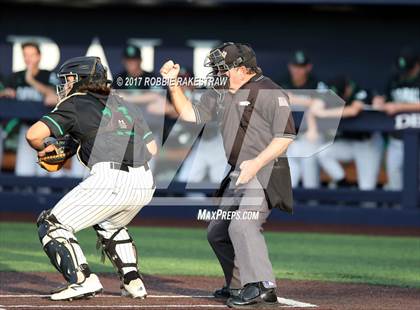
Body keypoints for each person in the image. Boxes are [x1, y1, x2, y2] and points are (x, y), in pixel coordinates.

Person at [160, 42, 296, 308]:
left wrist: (256, 163)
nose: (218, 73)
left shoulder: (269, 91)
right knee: (217, 232)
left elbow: (285, 137)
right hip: (239, 171)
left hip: (266, 169)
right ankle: (237, 285)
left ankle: (262, 286)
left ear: (243, 69)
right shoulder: (220, 91)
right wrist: (173, 84)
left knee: (243, 224)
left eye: (223, 68)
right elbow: (191, 115)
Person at [26, 56, 157, 301]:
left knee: (51, 224)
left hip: (111, 179)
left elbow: (33, 135)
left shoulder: (76, 101)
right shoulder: (124, 103)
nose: (65, 85)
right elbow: (152, 149)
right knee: (110, 225)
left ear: (81, 79)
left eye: (69, 79)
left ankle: (82, 280)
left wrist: (47, 147)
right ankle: (133, 282)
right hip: (145, 180)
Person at [314, 76, 383, 190]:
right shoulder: (331, 94)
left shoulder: (360, 91)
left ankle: (368, 204)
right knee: (322, 153)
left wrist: (324, 113)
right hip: (349, 143)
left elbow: (354, 110)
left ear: (347, 89)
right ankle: (344, 182)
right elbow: (316, 107)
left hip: (368, 143)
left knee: (366, 189)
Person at [0, 42, 58, 176]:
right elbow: (5, 91)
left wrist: (31, 80)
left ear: (39, 56)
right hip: (26, 130)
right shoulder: (16, 77)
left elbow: (54, 96)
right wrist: (5, 93)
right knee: (23, 172)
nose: (28, 58)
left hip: (47, 132)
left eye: (32, 55)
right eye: (25, 55)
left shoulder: (48, 75)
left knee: (45, 174)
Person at [373, 48, 420, 190]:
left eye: (409, 68)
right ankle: (398, 209)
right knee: (394, 173)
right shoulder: (395, 77)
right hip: (397, 137)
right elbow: (382, 96)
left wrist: (399, 107)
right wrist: (379, 101)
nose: (405, 72)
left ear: (417, 64)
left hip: (418, 137)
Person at [279, 51, 326, 189]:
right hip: (289, 137)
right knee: (288, 180)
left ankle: (312, 205)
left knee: (310, 177)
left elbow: (323, 104)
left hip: (310, 136)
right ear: (290, 67)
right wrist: (308, 101)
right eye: (295, 66)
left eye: (301, 66)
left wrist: (293, 98)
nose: (298, 70)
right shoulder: (282, 81)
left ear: (308, 67)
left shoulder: (317, 83)